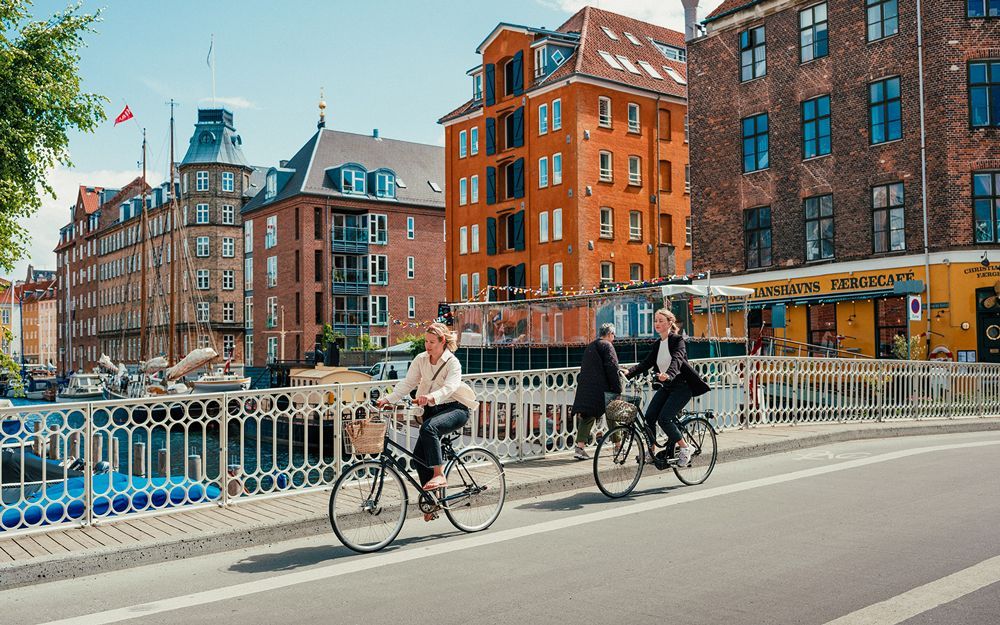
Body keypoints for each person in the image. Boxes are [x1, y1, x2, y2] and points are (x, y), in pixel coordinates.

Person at [377, 322, 470, 517]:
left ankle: (439, 475)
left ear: (442, 341)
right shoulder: (421, 359)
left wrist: (431, 397)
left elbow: (451, 388)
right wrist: (387, 399)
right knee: (419, 457)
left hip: (455, 408)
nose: (427, 345)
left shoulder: (452, 362)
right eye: (425, 341)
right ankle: (432, 501)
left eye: (431, 342)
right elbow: (407, 383)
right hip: (431, 411)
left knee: (429, 429)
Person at [625, 308, 710, 467]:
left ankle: (685, 448)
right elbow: (646, 363)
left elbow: (677, 360)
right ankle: (651, 451)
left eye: (661, 321)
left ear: (670, 323)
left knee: (664, 418)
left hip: (682, 387)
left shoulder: (677, 340)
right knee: (650, 416)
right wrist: (628, 372)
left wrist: (669, 374)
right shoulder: (658, 344)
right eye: (655, 321)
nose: (657, 324)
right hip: (667, 387)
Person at [570, 323, 622, 460]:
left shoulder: (591, 346)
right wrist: (618, 389)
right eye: (614, 335)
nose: (614, 338)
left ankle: (579, 448)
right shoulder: (607, 346)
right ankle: (618, 447)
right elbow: (612, 367)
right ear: (610, 334)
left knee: (588, 416)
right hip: (603, 388)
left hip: (588, 388)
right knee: (613, 415)